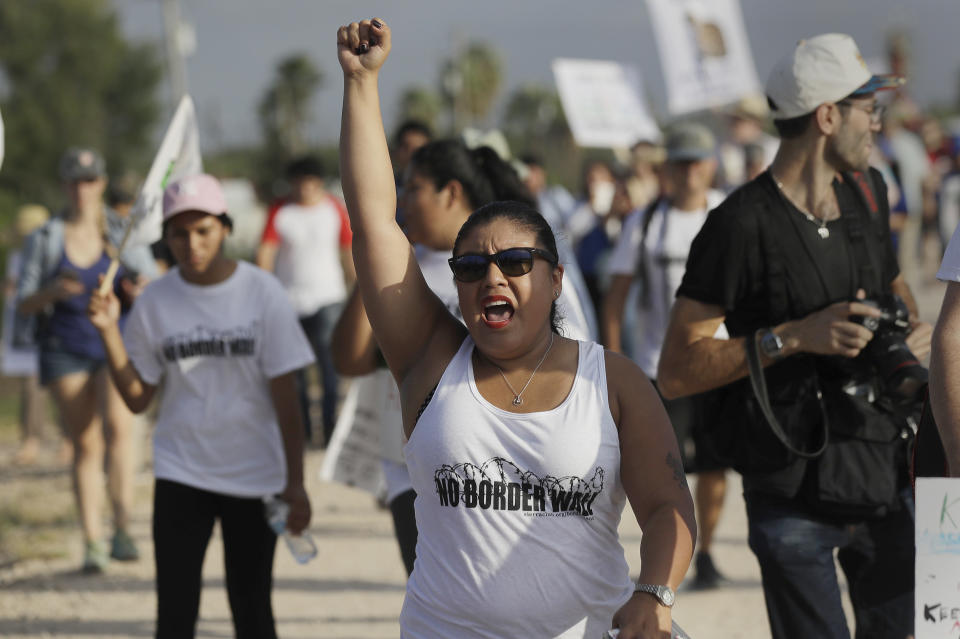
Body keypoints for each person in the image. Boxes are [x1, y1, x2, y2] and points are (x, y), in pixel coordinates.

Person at [337, 18, 695, 638]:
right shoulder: (428, 359)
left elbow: (666, 506)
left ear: (555, 281)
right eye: (472, 266)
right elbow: (373, 222)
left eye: (515, 263)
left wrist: (655, 592)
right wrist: (362, 84)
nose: (492, 277)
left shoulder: (612, 382)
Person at [657, 34, 932, 639]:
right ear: (829, 116)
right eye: (869, 110)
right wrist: (794, 337)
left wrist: (906, 329)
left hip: (881, 471)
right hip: (790, 488)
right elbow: (677, 368)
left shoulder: (870, 193)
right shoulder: (737, 225)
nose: (878, 125)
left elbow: (895, 289)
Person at [332, 133, 594, 576]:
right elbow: (349, 359)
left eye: (412, 188)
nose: (403, 201)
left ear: (450, 192)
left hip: (511, 468)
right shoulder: (403, 268)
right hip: (414, 468)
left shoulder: (524, 261)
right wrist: (377, 268)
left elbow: (576, 351)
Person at [87, 173, 314, 639]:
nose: (191, 242)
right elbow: (137, 398)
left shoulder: (262, 292)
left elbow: (287, 398)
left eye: (203, 229)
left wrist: (296, 483)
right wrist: (109, 331)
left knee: (251, 610)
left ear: (225, 228)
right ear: (165, 236)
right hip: (181, 470)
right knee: (175, 611)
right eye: (178, 232)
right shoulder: (155, 301)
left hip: (254, 474)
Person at [15, 147, 158, 573]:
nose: (83, 188)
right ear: (64, 184)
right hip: (66, 346)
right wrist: (53, 293)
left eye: (90, 180)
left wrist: (136, 289)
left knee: (120, 430)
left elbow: (149, 282)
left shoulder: (123, 231)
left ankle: (122, 528)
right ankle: (93, 539)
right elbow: (22, 303)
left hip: (116, 342)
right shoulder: (44, 237)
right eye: (75, 180)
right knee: (86, 443)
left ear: (101, 183)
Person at [602, 122, 728, 590]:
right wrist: (613, 362)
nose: (689, 172)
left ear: (711, 166)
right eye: (680, 162)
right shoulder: (647, 221)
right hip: (661, 366)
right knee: (666, 469)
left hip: (719, 364)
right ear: (667, 169)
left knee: (716, 464)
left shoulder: (727, 215)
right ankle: (670, 557)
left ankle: (708, 551)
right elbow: (616, 297)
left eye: (697, 162)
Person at [256, 155, 355, 446]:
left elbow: (349, 250)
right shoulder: (280, 211)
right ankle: (303, 432)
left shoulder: (334, 209)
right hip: (289, 301)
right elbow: (265, 252)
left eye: (310, 183)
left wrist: (358, 292)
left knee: (329, 369)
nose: (305, 189)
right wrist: (266, 294)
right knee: (295, 372)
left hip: (329, 297)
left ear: (318, 183)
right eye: (299, 183)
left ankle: (329, 429)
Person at [4, 204, 54, 465]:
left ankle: (47, 439)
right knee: (30, 387)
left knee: (48, 386)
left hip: (41, 329)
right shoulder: (16, 257)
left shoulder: (48, 257)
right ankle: (30, 439)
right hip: (18, 332)